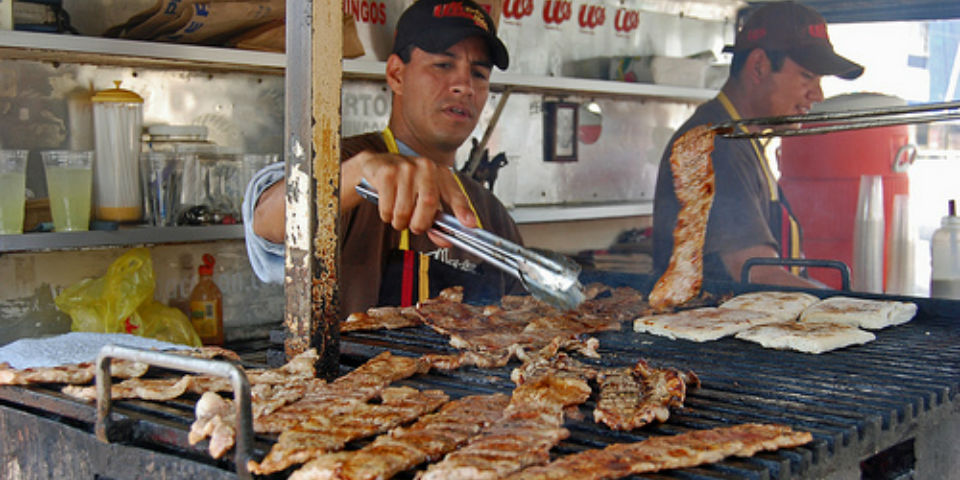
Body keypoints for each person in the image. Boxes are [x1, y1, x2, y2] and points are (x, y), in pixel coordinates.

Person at [242, 0, 522, 318]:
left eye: (479, 73)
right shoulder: (342, 164)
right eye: (443, 65)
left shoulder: (491, 216)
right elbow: (267, 220)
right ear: (396, 74)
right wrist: (359, 174)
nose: (464, 86)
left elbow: (521, 319)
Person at [652, 1, 864, 288]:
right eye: (808, 76)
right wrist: (845, 307)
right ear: (759, 66)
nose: (818, 95)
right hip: (712, 326)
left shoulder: (743, 138)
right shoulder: (716, 146)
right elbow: (755, 271)